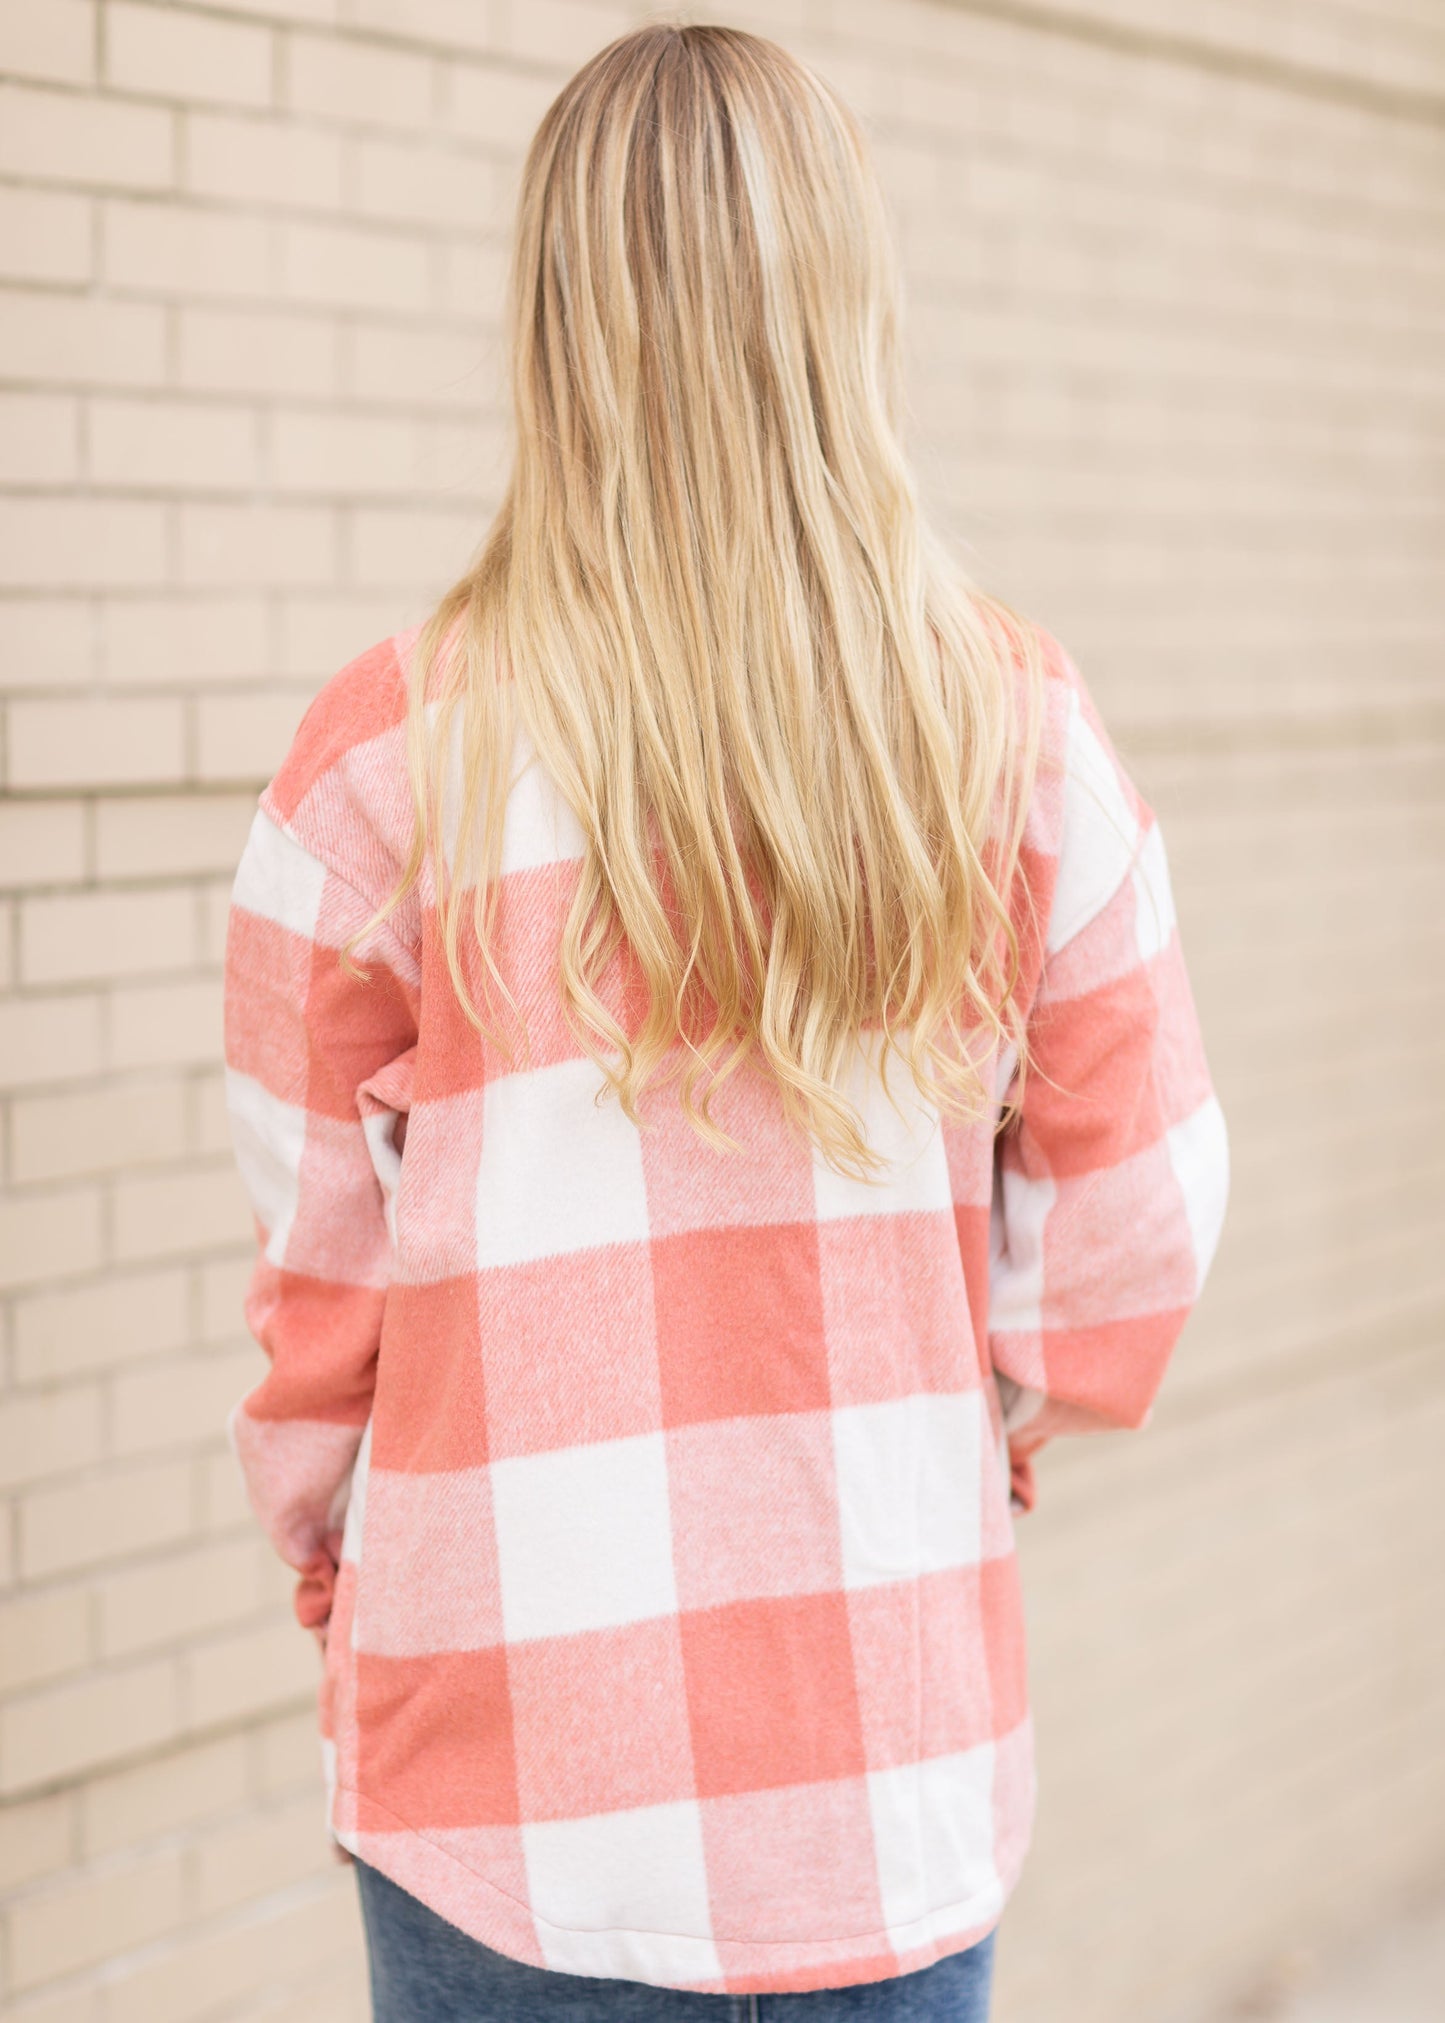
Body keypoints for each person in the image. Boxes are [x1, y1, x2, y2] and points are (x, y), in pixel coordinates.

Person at [221, 22, 1229, 2022]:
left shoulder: (381, 763)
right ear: (843, 308)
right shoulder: (1014, 735)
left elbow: (323, 1283)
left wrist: (338, 1559)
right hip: (881, 1769)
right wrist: (970, 1436)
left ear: (554, 323)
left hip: (508, 1775)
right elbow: (1141, 1233)